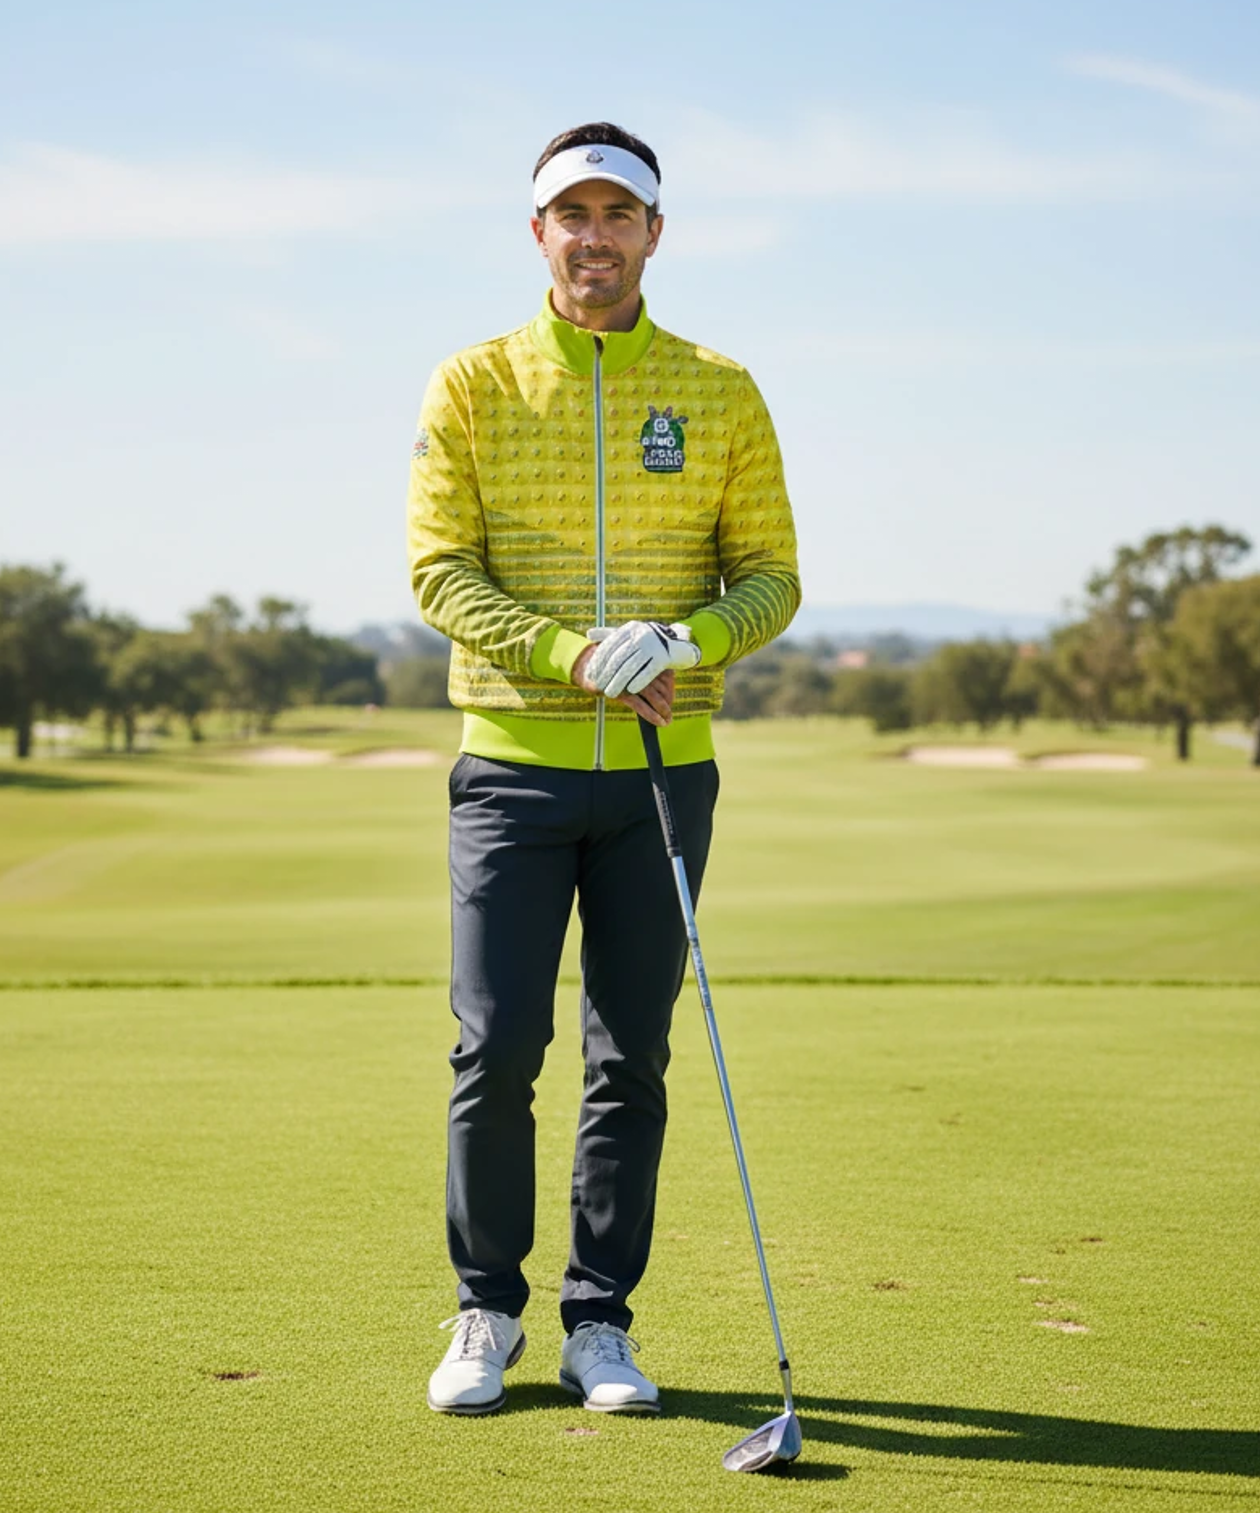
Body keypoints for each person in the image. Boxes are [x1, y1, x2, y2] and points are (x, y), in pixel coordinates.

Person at [408, 121, 800, 1417]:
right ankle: (487, 1309)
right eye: (571, 215)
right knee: (496, 1047)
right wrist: (573, 653)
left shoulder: (720, 389)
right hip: (511, 773)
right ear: (539, 235)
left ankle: (599, 1324)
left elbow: (772, 579)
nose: (594, 236)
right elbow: (438, 572)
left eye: (617, 214)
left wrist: (685, 640)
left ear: (653, 233)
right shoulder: (474, 383)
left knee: (631, 1055)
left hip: (660, 776)